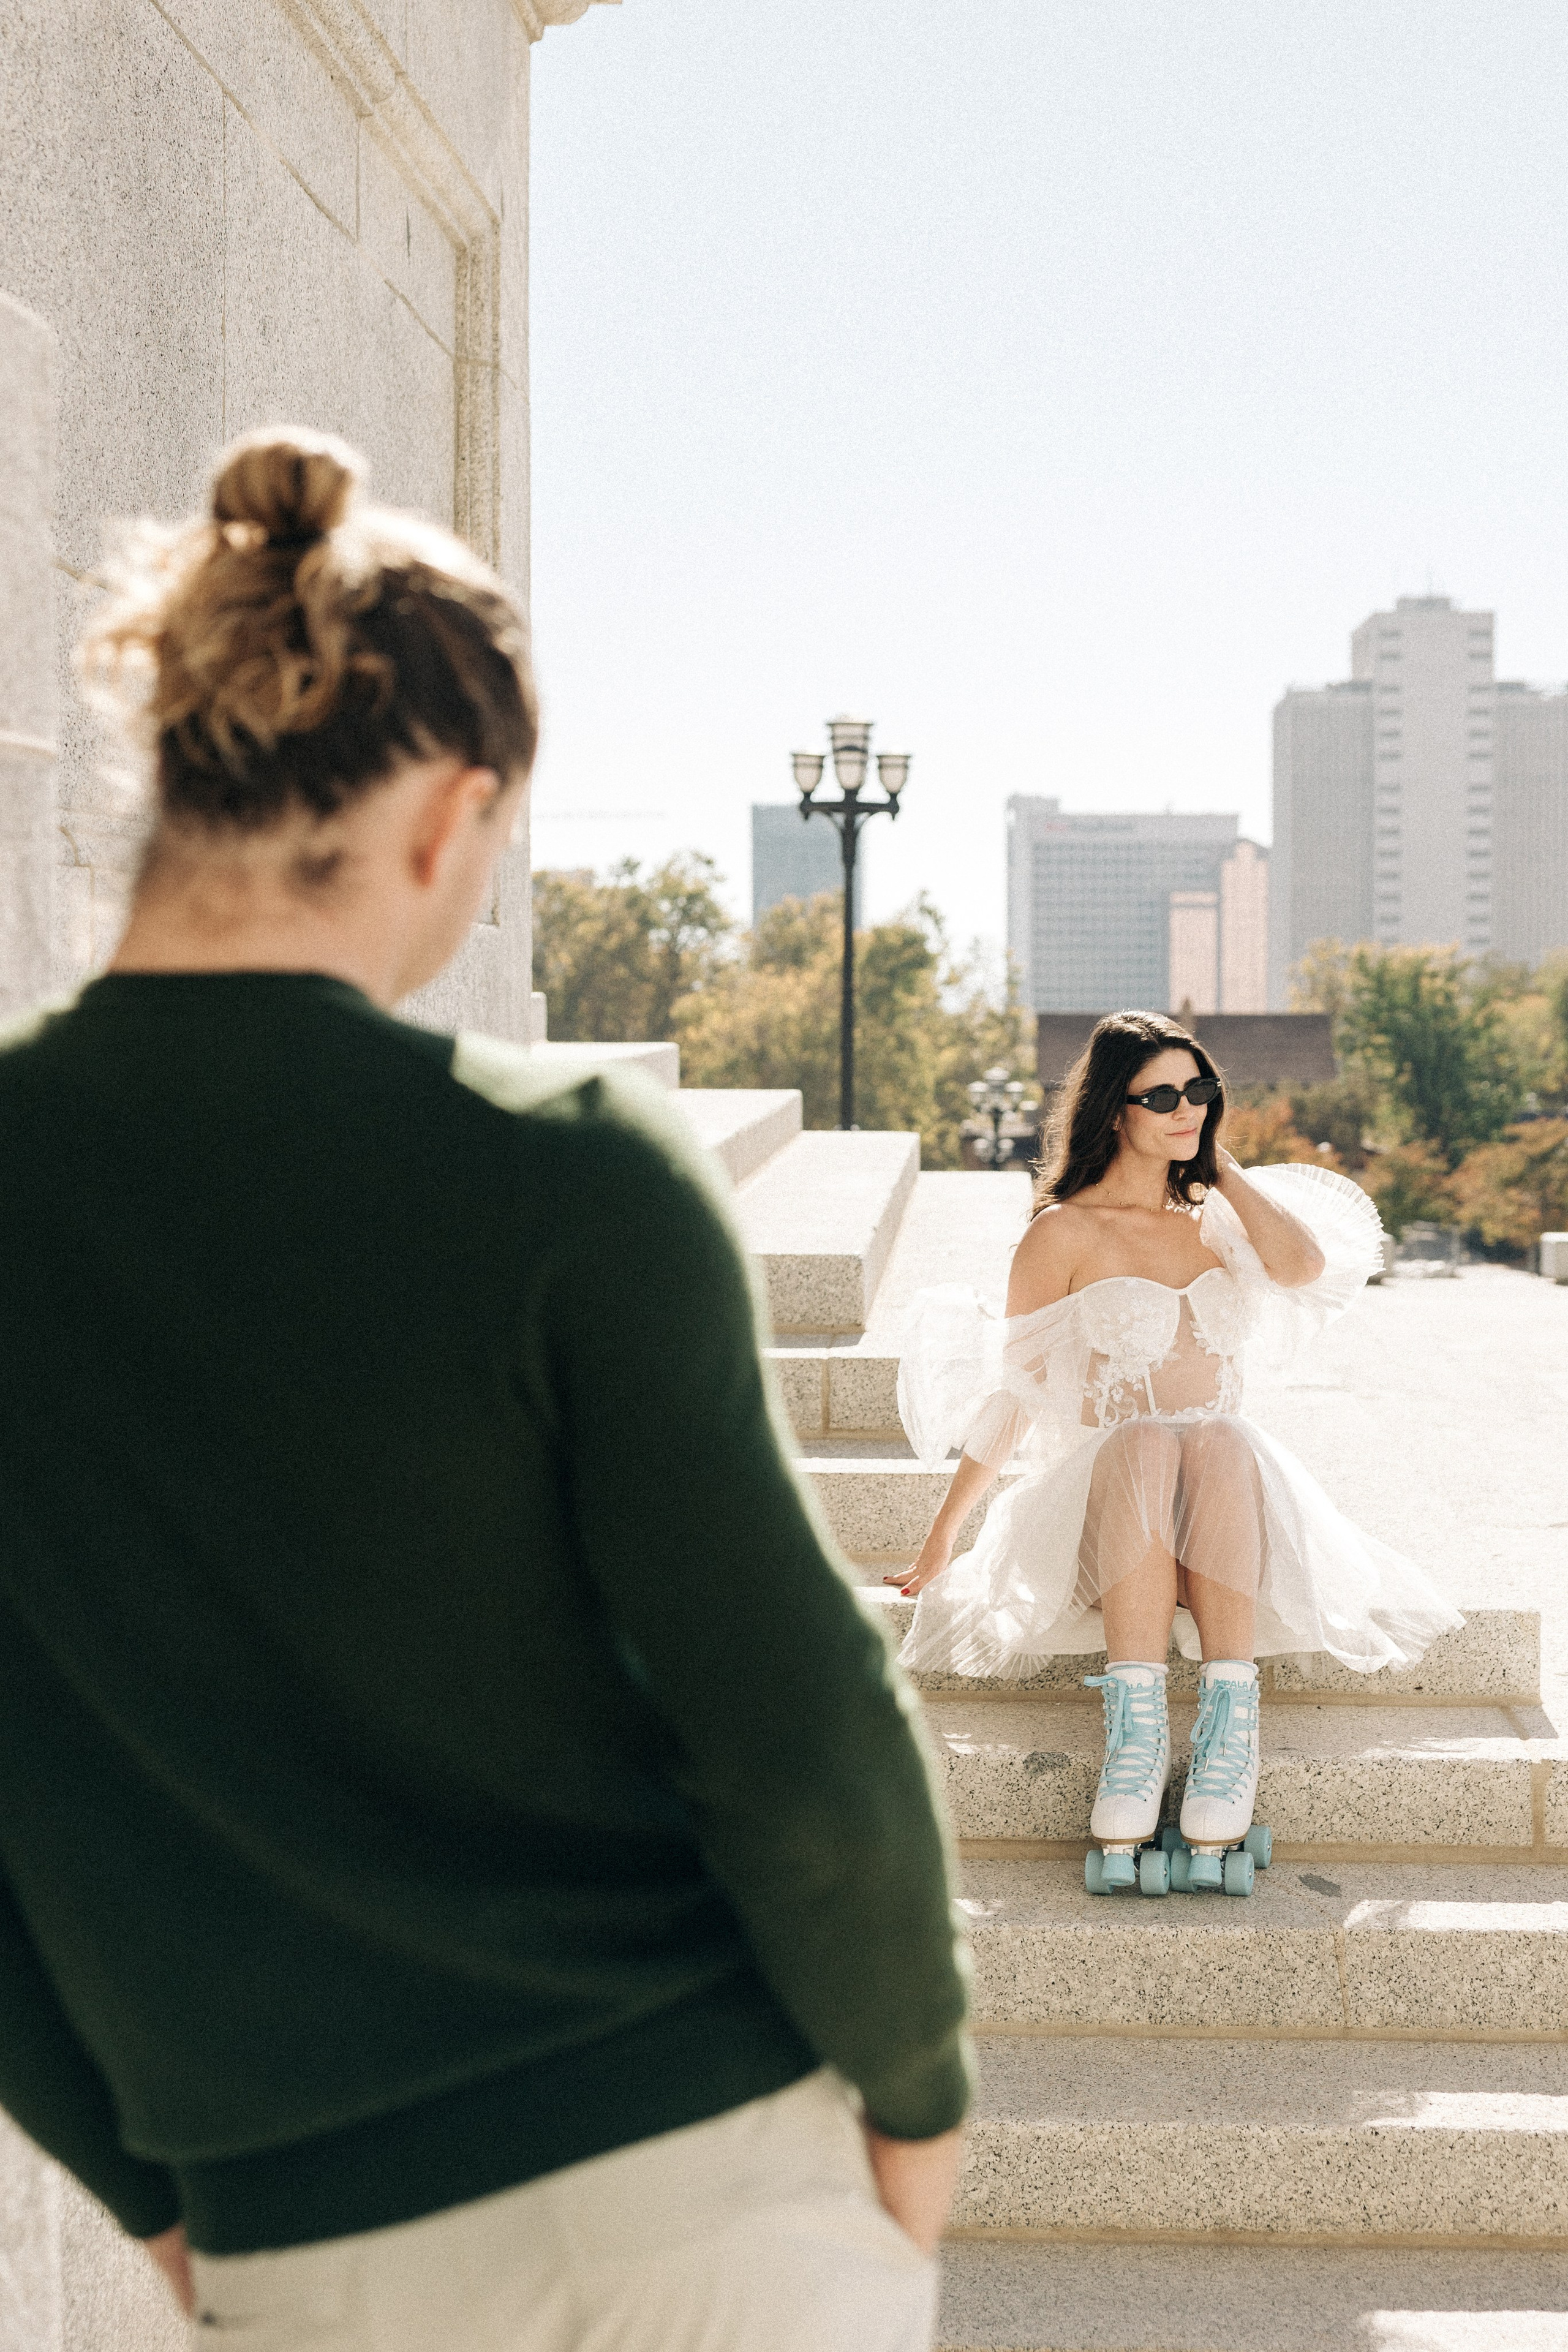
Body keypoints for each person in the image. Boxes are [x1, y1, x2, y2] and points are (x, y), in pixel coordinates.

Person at [0, 429, 970, 2351]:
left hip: (304, 2230)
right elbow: (801, 1739)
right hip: (701, 2182)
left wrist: (150, 2189)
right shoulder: (568, 1173)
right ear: (449, 816)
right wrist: (916, 2099)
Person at [889, 1010, 1460, 1878]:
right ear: (1114, 1110)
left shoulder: (1216, 1220)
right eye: (1162, 1095)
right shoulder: (1062, 1235)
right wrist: (945, 1533)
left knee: (1222, 1438)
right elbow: (1017, 1393)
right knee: (1150, 1439)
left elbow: (1304, 1269)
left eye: (1200, 1090)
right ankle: (1137, 1735)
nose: (1186, 1107)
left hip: (1222, 1495)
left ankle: (1231, 1729)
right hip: (1114, 1497)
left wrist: (1221, 1171)